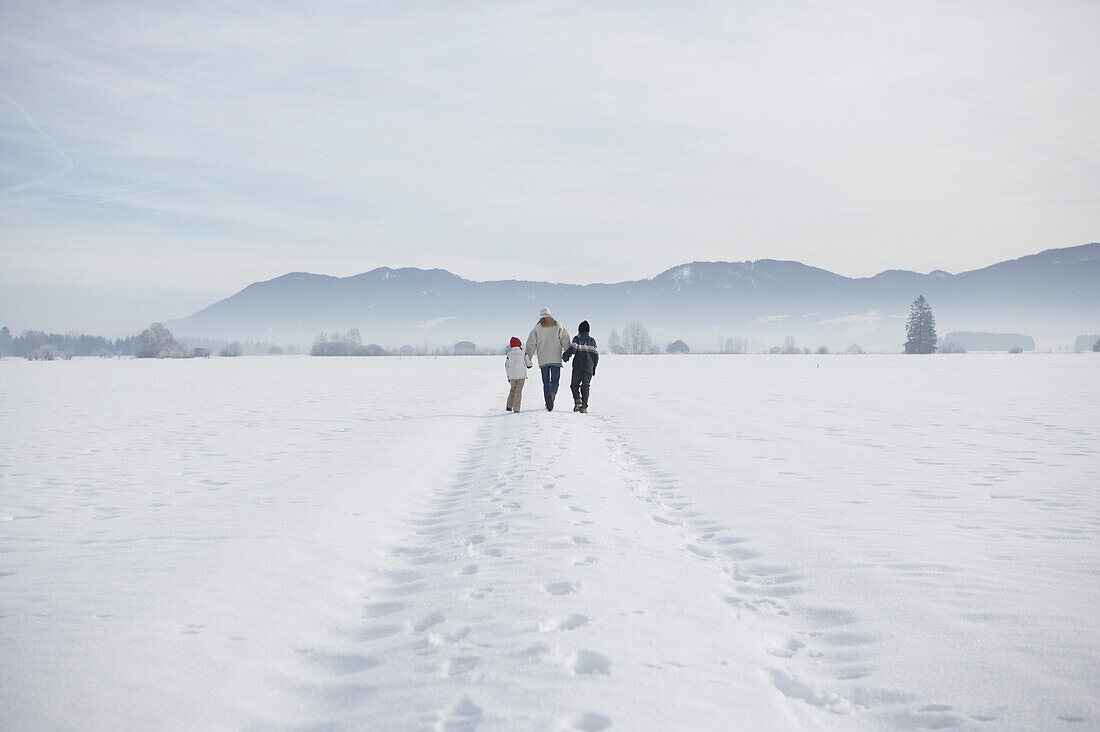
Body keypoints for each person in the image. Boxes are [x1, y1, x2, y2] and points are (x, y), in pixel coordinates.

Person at [524, 307, 571, 411]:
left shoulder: (537, 328)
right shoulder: (558, 325)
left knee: (546, 382)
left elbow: (531, 344)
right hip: (555, 359)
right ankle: (552, 394)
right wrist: (566, 351)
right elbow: (565, 339)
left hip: (543, 359)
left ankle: (547, 402)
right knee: (555, 381)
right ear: (550, 315)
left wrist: (528, 358)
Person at [564, 320, 599, 413]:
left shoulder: (577, 338)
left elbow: (573, 349)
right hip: (589, 369)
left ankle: (577, 400)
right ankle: (584, 407)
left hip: (578, 367)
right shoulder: (592, 341)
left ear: (579, 330)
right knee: (585, 387)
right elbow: (596, 356)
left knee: (574, 385)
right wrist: (594, 368)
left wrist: (565, 356)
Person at [504, 336, 531, 413]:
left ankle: (509, 406)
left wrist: (508, 377)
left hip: (512, 376)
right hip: (521, 376)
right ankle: (516, 408)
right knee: (518, 391)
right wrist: (530, 365)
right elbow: (528, 363)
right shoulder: (523, 353)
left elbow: (506, 366)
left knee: (512, 390)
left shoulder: (509, 355)